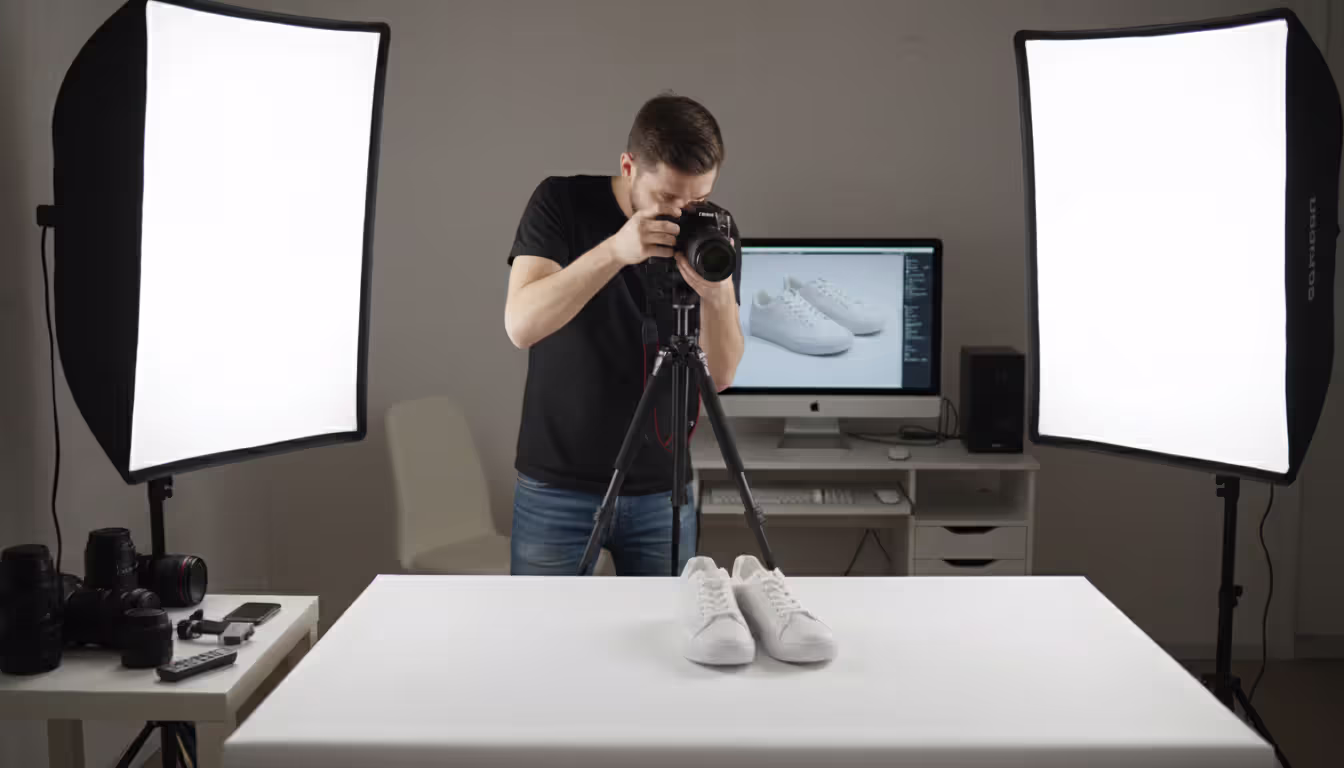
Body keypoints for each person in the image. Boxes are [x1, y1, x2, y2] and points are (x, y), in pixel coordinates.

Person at [504, 93, 743, 576]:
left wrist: (717, 297)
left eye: (696, 198)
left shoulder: (710, 230)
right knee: (542, 640)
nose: (681, 213)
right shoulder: (562, 202)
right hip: (559, 485)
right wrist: (615, 251)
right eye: (667, 197)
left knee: (668, 643)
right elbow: (520, 325)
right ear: (629, 166)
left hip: (662, 490)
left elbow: (720, 375)